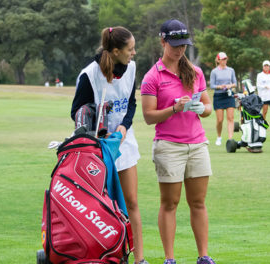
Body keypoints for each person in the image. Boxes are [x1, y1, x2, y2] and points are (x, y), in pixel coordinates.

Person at [141, 19, 216, 264]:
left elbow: (208, 108)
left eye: (183, 44)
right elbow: (148, 117)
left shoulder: (195, 72)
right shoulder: (152, 77)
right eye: (174, 44)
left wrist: (199, 108)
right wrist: (174, 108)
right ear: (162, 41)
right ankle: (169, 258)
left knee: (198, 202)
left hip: (197, 144)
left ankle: (203, 256)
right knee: (170, 203)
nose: (179, 49)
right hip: (169, 146)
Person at [70, 26, 148, 264]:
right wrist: (97, 118)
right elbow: (76, 111)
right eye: (130, 49)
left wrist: (124, 126)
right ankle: (107, 256)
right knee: (102, 205)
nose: (134, 53)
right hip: (97, 150)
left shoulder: (131, 68)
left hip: (124, 144)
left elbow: (132, 103)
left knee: (131, 202)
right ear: (115, 51)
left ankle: (139, 259)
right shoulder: (90, 74)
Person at [210, 52, 237, 145]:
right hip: (219, 96)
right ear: (218, 60)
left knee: (230, 118)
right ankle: (219, 136)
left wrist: (229, 85)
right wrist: (220, 87)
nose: (224, 60)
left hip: (229, 95)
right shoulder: (214, 71)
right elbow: (212, 85)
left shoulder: (231, 70)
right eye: (222, 59)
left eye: (225, 59)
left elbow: (235, 83)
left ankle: (230, 139)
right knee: (220, 119)